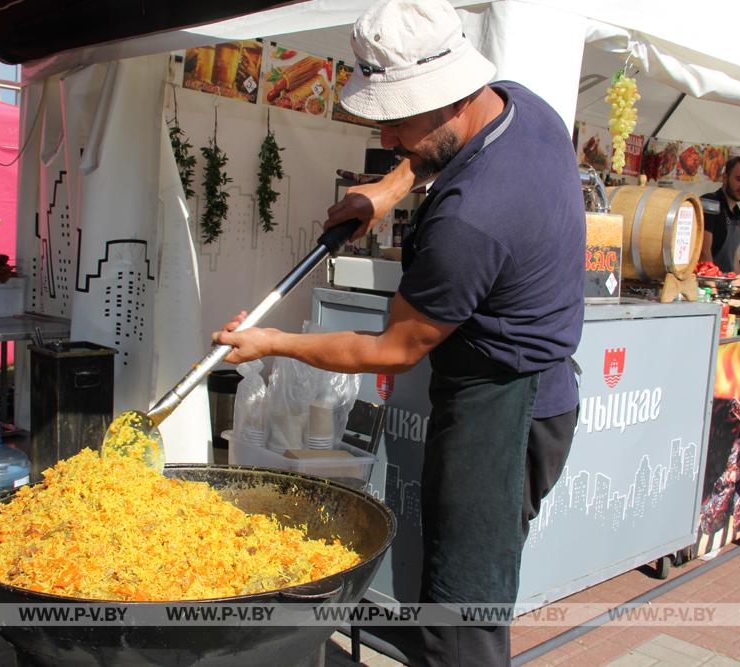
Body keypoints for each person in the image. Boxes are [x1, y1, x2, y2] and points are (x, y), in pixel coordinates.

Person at [213, 0, 585, 663]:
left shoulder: (472, 219)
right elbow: (436, 147)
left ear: (452, 95)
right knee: (459, 589)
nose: (388, 138)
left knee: (458, 616)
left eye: (397, 120)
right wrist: (387, 190)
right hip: (541, 393)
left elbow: (389, 347)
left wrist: (270, 342)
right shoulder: (523, 107)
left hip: (501, 411)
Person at [699, 155, 740, 275]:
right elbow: (703, 252)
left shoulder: (736, 214)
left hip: (725, 286)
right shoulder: (709, 203)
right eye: (739, 179)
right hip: (707, 286)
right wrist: (712, 287)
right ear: (725, 178)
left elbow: (733, 257)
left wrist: (739, 288)